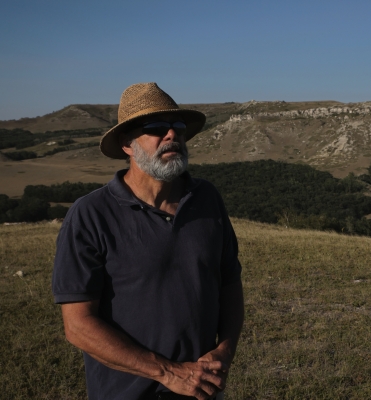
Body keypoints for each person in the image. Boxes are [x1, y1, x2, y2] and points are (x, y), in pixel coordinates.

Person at [52, 82, 244, 400]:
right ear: (127, 143)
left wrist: (225, 350)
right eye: (156, 127)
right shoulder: (90, 215)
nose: (172, 135)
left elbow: (229, 285)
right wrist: (168, 373)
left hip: (202, 390)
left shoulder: (207, 199)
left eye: (178, 126)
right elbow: (78, 326)